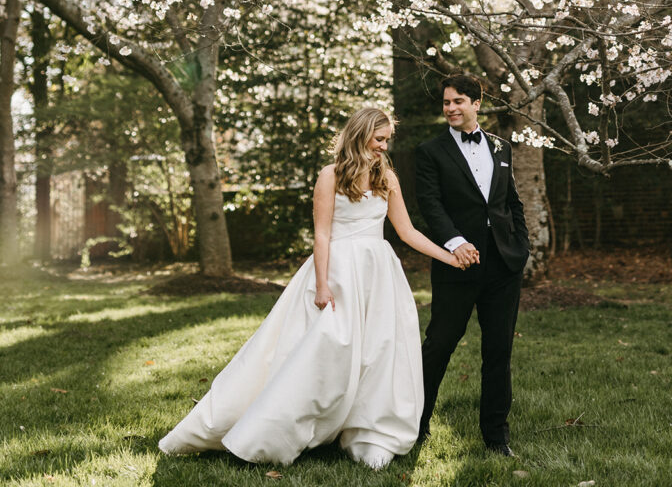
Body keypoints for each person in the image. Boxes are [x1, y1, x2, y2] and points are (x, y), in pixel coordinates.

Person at [158, 106, 462, 469]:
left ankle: (368, 432)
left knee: (378, 352)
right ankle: (276, 430)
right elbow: (322, 233)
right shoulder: (330, 175)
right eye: (379, 139)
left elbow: (407, 232)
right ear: (360, 133)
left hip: (379, 276)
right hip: (337, 273)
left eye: (386, 141)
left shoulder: (387, 178)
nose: (383, 147)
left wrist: (450, 256)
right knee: (326, 351)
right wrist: (322, 286)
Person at [415, 72, 530, 456]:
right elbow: (431, 206)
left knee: (498, 351)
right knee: (439, 345)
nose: (450, 108)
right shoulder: (430, 152)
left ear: (476, 103)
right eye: (446, 102)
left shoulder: (501, 147)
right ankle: (416, 426)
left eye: (457, 101)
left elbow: (510, 201)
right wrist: (456, 243)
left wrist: (521, 247)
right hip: (456, 266)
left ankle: (497, 438)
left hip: (502, 267)